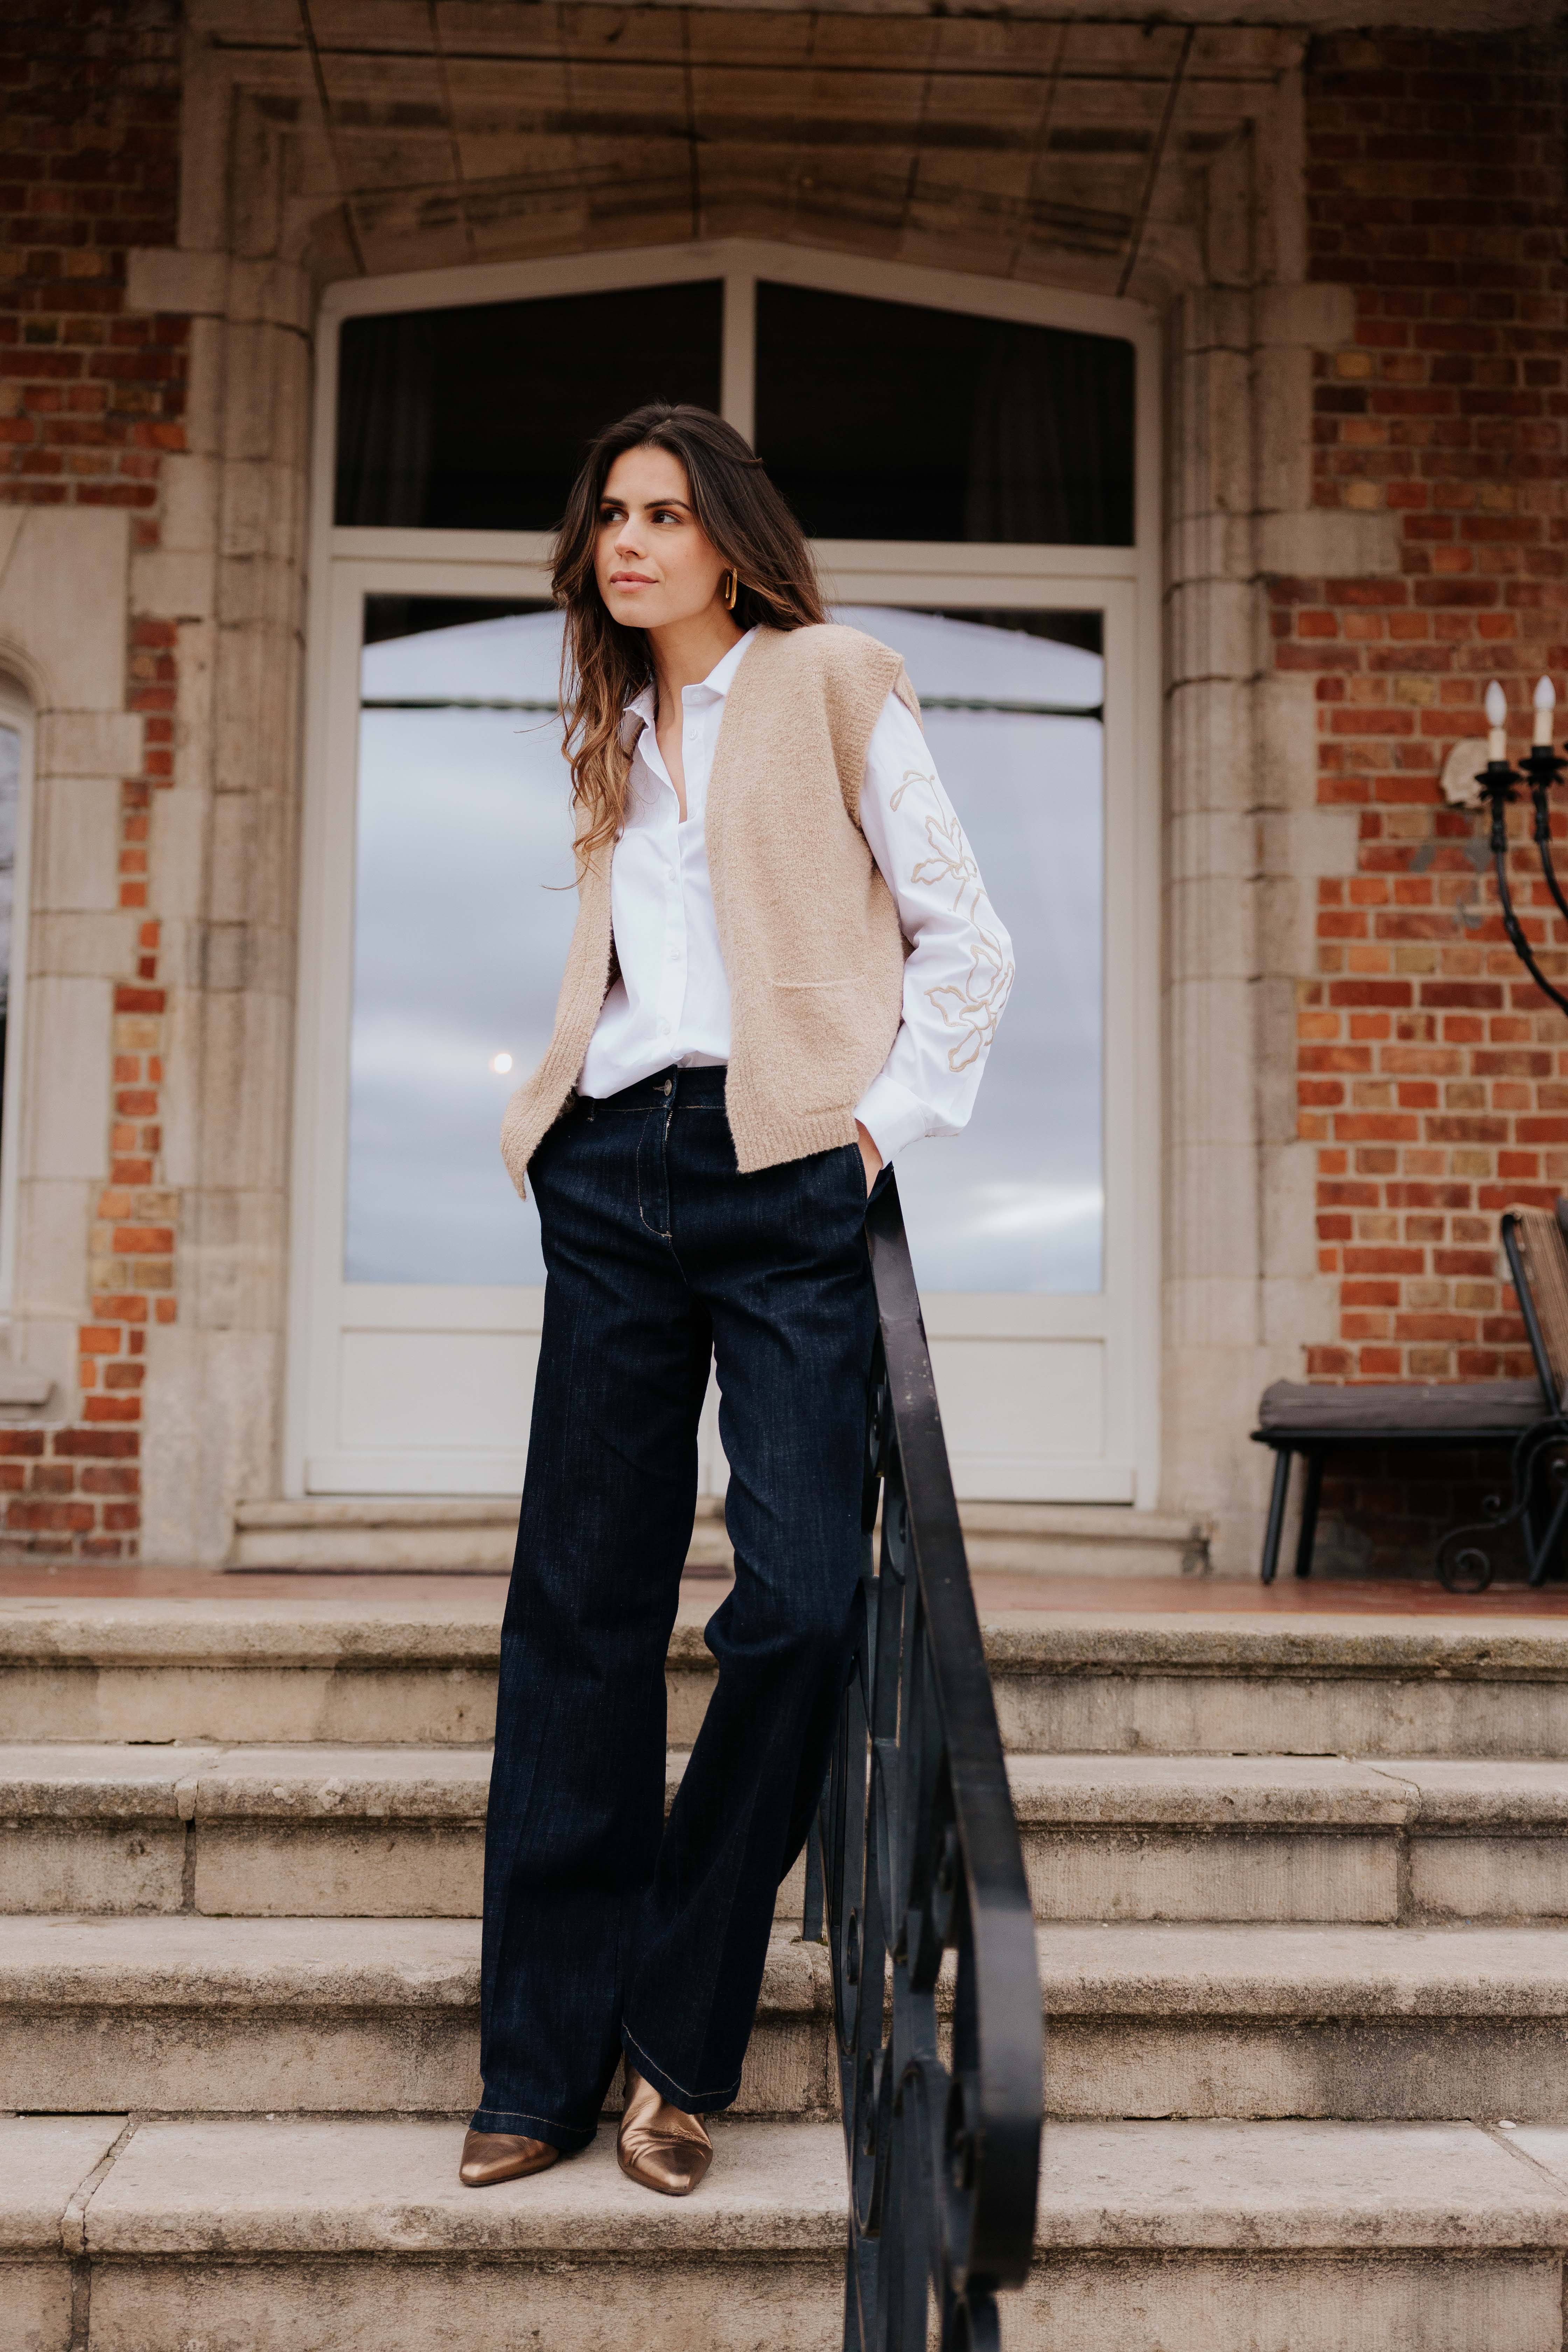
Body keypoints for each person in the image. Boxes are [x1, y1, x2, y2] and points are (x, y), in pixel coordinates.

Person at [461, 402, 1012, 2196]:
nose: (626, 543)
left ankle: (680, 2028)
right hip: (611, 1167)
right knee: (579, 1615)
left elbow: (965, 940)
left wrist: (873, 1129)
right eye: (610, 516)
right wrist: (559, 1122)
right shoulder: (613, 724)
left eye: (663, 515)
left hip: (786, 1169)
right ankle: (539, 2069)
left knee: (797, 1606)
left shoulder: (832, 681)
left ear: (729, 539)